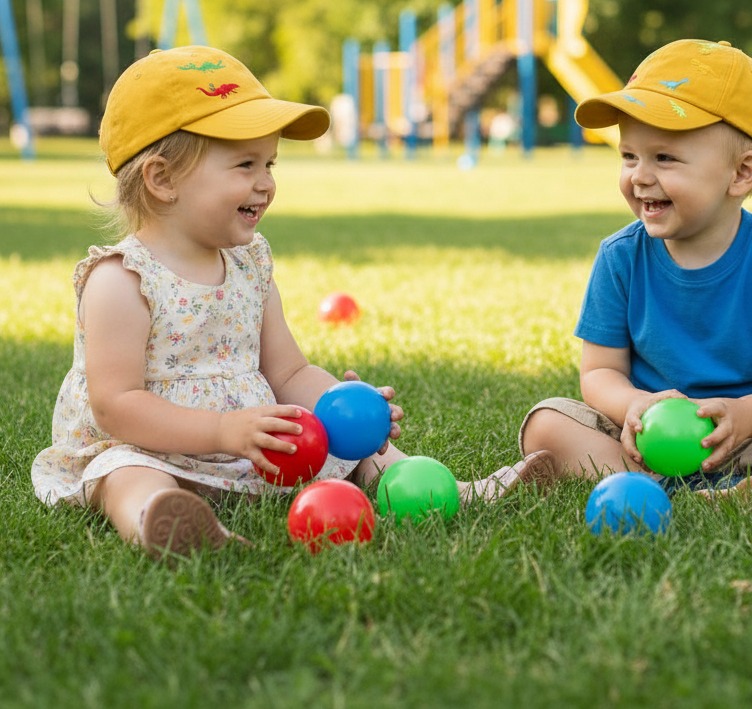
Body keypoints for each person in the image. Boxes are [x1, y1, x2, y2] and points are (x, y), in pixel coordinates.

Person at [32, 45, 548, 559]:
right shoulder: (121, 281)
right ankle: (160, 519)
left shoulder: (250, 264)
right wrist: (220, 430)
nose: (266, 183)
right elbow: (116, 405)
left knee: (353, 450)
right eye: (245, 164)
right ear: (162, 179)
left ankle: (440, 489)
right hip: (150, 447)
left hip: (253, 446)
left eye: (270, 163)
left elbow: (290, 372)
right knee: (121, 473)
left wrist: (340, 406)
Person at [518, 39, 752, 513]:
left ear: (741, 174)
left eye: (664, 158)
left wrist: (747, 416)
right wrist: (633, 406)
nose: (639, 176)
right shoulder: (619, 257)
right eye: (629, 156)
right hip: (646, 442)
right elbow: (600, 370)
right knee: (545, 422)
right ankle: (635, 486)